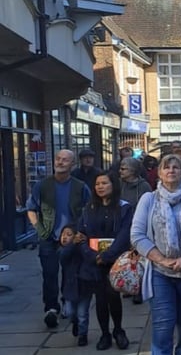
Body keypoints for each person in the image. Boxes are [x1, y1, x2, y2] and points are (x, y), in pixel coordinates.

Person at [130, 154, 181, 355]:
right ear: (160, 173)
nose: (171, 170)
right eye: (166, 167)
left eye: (176, 167)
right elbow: (137, 235)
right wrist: (162, 260)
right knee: (163, 327)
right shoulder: (149, 200)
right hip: (159, 272)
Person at [27, 149, 91, 328]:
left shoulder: (80, 186)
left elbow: (88, 210)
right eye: (58, 159)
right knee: (49, 274)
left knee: (70, 273)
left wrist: (81, 232)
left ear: (73, 164)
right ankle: (51, 308)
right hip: (48, 237)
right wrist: (39, 229)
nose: (60, 162)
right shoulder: (42, 185)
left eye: (65, 160)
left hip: (71, 238)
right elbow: (31, 209)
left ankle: (67, 302)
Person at [78, 172, 135, 350]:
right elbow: (81, 235)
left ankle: (119, 330)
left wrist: (107, 256)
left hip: (115, 260)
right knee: (100, 299)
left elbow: (125, 234)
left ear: (113, 185)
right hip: (94, 261)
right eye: (97, 184)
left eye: (104, 183)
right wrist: (91, 255)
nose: (100, 187)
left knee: (113, 296)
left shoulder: (124, 208)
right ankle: (105, 334)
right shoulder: (89, 208)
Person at [58, 224, 88, 346]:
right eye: (63, 234)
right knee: (70, 312)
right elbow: (63, 257)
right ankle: (75, 322)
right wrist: (72, 244)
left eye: (69, 234)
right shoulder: (63, 251)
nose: (64, 237)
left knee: (82, 314)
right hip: (69, 289)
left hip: (84, 287)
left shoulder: (81, 249)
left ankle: (83, 335)